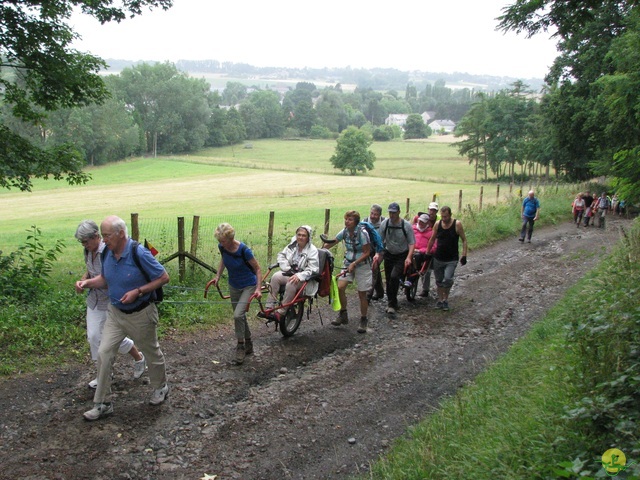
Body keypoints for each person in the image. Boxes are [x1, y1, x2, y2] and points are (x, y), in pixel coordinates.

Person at [77, 215, 170, 421]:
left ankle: (160, 387)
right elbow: (104, 278)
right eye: (102, 235)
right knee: (103, 352)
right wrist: (87, 283)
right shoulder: (107, 254)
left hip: (141, 313)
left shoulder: (139, 253)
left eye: (107, 235)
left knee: (151, 352)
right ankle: (102, 403)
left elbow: (163, 277)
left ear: (120, 234)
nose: (104, 239)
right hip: (115, 313)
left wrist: (138, 291)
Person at [74, 220, 146, 389]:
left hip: (110, 300)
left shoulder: (107, 251)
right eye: (82, 242)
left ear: (96, 237)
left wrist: (87, 283)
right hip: (94, 300)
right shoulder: (88, 250)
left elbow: (108, 279)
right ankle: (104, 372)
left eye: (86, 241)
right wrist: (84, 279)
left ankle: (139, 358)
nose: (84, 245)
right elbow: (90, 270)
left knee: (111, 338)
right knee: (94, 337)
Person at [209, 223, 263, 365]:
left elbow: (257, 269)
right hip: (233, 285)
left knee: (238, 315)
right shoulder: (222, 247)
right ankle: (249, 343)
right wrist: (217, 276)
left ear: (231, 239)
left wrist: (258, 289)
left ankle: (240, 345)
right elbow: (223, 261)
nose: (221, 244)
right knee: (240, 316)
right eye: (219, 241)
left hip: (248, 286)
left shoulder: (244, 250)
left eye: (223, 241)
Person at [322, 211, 372, 333]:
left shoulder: (362, 233)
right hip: (348, 263)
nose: (347, 221)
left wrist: (355, 263)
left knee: (362, 294)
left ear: (356, 222)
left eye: (350, 219)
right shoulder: (344, 231)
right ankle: (343, 313)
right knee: (340, 287)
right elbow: (333, 242)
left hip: (362, 265)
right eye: (346, 219)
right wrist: (320, 251)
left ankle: (363, 319)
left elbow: (367, 252)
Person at [265, 225, 319, 324]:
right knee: (275, 276)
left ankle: (281, 312)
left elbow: (313, 269)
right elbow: (281, 256)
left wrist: (299, 276)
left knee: (291, 282)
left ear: (308, 237)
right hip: (290, 272)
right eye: (299, 235)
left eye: (304, 235)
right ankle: (269, 307)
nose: (301, 237)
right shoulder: (292, 246)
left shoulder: (312, 250)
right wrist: (286, 267)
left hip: (305, 280)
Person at [375, 202, 415, 315]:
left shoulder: (406, 225)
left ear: (398, 212)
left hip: (401, 255)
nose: (391, 215)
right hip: (389, 254)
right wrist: (378, 253)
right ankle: (392, 302)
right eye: (390, 212)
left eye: (394, 212)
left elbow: (412, 243)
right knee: (388, 279)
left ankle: (392, 303)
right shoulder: (385, 224)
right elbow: (380, 240)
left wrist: (408, 257)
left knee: (394, 276)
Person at [426, 206, 468, 311]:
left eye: (446, 217)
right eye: (443, 217)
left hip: (451, 258)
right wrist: (427, 252)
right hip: (438, 257)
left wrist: (464, 254)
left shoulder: (457, 224)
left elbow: (464, 240)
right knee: (439, 280)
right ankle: (441, 300)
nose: (444, 219)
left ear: (450, 215)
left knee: (448, 279)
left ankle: (446, 298)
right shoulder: (437, 224)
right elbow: (432, 239)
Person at [412, 213, 437, 298]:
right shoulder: (413, 229)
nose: (420, 223)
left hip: (424, 254)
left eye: (423, 222)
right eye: (419, 221)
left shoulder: (431, 233)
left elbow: (434, 246)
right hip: (411, 251)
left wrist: (422, 250)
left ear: (427, 223)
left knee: (426, 271)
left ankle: (425, 289)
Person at [364, 204, 385, 302]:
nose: (372, 216)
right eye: (372, 213)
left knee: (374, 267)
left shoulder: (385, 222)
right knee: (374, 270)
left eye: (375, 214)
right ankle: (380, 292)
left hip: (381, 250)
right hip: (368, 249)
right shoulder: (364, 222)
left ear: (380, 215)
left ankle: (368, 295)